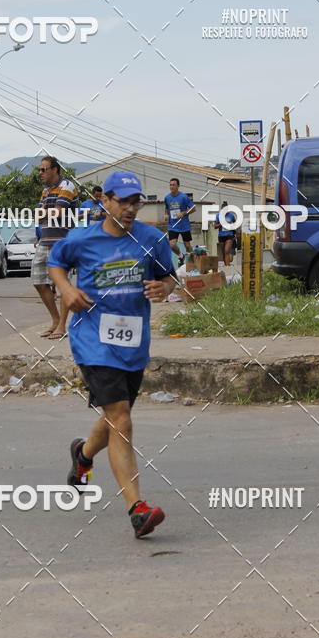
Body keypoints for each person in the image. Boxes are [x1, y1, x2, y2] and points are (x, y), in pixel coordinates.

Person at [49, 170, 176, 539]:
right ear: (104, 200)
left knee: (116, 415)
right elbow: (55, 263)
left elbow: (170, 276)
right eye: (123, 201)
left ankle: (83, 455)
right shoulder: (82, 239)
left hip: (133, 342)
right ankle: (138, 509)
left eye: (135, 202)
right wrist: (66, 290)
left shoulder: (152, 239)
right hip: (92, 339)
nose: (130, 208)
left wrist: (162, 286)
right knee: (121, 417)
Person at [31, 156, 78, 339]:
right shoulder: (46, 191)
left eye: (43, 169)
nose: (40, 173)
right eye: (39, 170)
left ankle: (62, 326)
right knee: (38, 281)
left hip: (62, 242)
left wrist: (46, 213)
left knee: (62, 284)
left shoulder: (66, 186)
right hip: (45, 240)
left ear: (55, 170)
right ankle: (55, 320)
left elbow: (57, 213)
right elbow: (38, 217)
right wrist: (46, 213)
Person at [164, 177, 195, 259]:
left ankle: (193, 261)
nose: (171, 187)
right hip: (173, 226)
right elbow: (167, 208)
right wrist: (166, 214)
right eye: (170, 185)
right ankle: (181, 256)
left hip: (184, 225)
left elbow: (193, 208)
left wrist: (183, 213)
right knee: (172, 245)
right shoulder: (167, 197)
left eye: (173, 185)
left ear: (178, 186)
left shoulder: (184, 197)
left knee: (187, 245)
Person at [214, 201, 237, 266]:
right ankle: (226, 266)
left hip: (229, 235)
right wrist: (221, 224)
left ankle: (228, 267)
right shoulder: (218, 215)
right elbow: (215, 226)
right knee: (223, 253)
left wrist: (234, 230)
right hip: (221, 236)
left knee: (227, 251)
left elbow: (235, 225)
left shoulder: (231, 216)